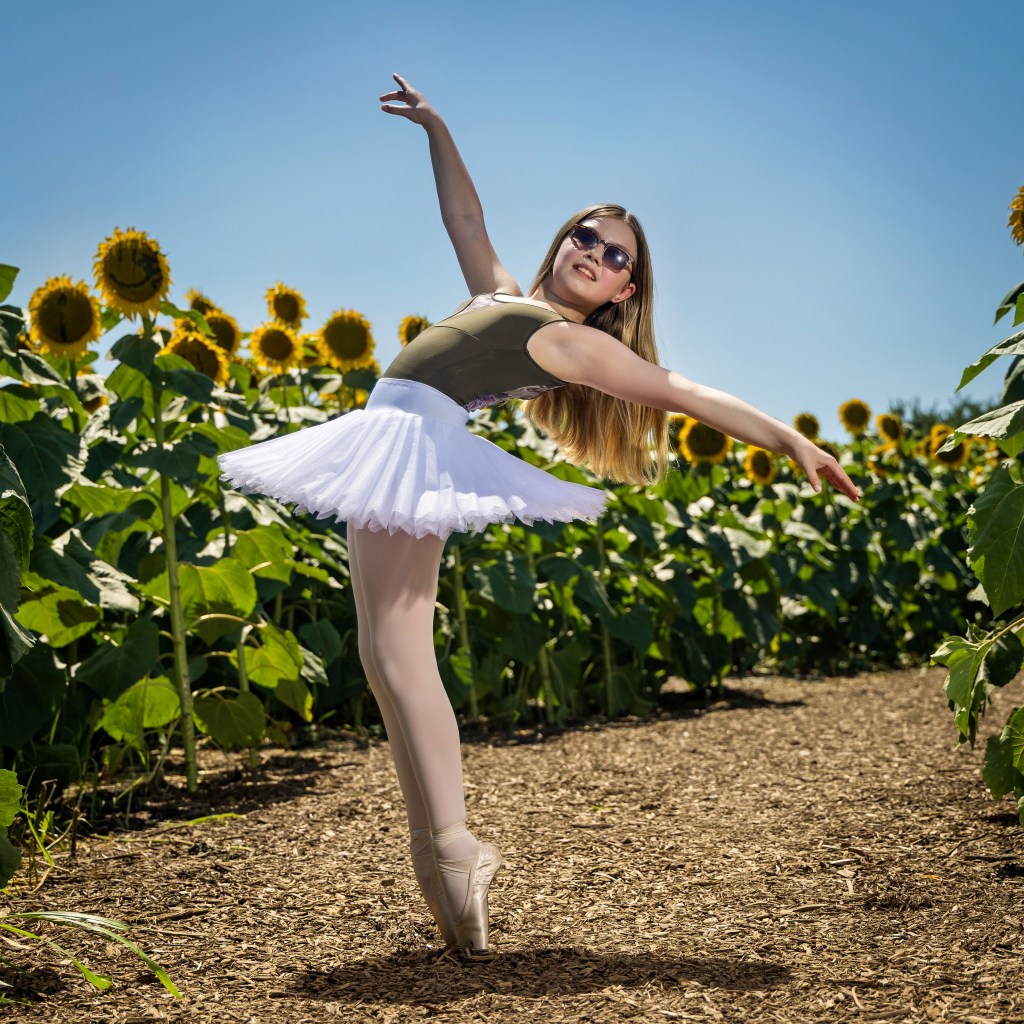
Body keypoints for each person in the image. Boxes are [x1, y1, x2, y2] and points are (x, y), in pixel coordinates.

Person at [218, 73, 859, 957]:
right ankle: (442, 855)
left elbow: (680, 391)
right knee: (380, 654)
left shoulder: (573, 342)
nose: (596, 253)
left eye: (617, 257)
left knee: (400, 656)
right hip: (389, 433)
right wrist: (437, 127)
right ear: (564, 243)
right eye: (587, 237)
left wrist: (787, 438)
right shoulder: (507, 296)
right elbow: (467, 222)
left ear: (625, 292)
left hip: (415, 444)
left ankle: (451, 848)